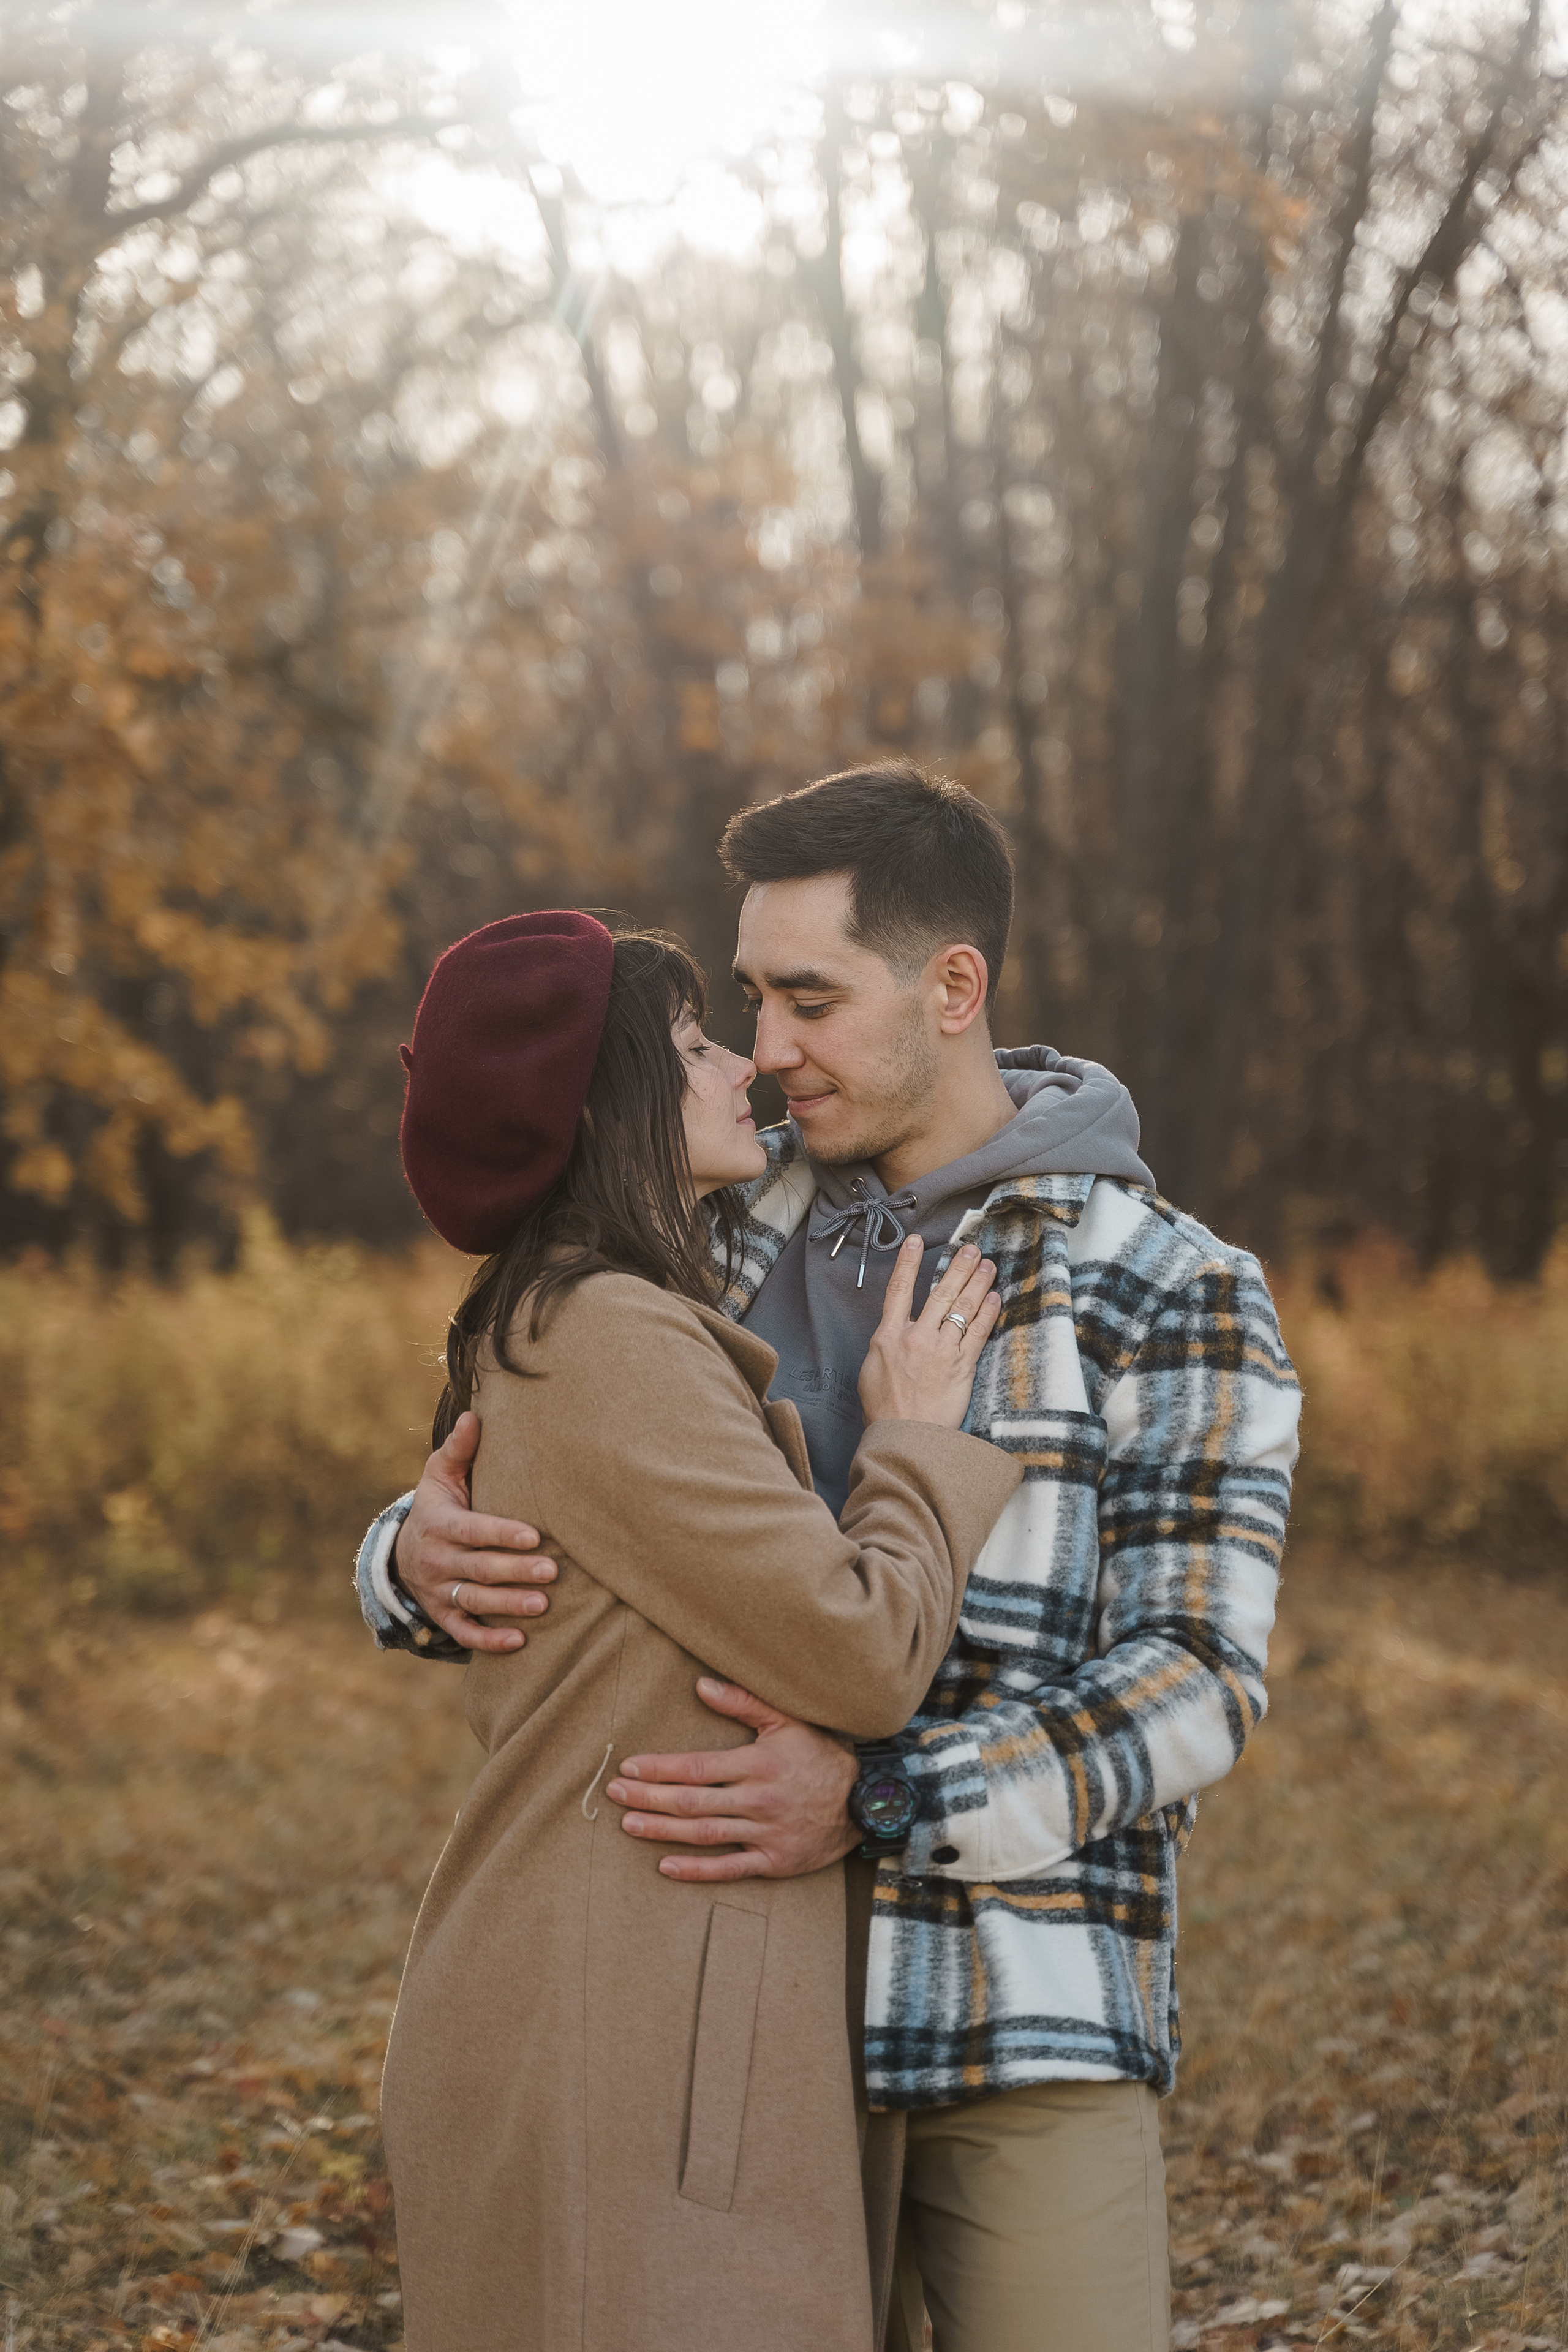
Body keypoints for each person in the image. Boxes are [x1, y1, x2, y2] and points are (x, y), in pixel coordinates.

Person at [361, 764, 1303, 2352]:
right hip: (724, 2016)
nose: (771, 1049)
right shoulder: (711, 1222)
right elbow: (540, 1467)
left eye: (809, 998)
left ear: (953, 989)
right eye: (747, 1001)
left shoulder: (1169, 1284)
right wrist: (409, 1555)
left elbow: (1201, 1680)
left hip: (1019, 2003)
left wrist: (880, 1795)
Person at [375, 910, 1022, 2352]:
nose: (740, 1066)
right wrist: (917, 1442)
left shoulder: (567, 1322)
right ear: (608, 1106)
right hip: (629, 2026)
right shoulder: (605, 1336)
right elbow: (856, 1652)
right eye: (687, 1044)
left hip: (626, 1995)